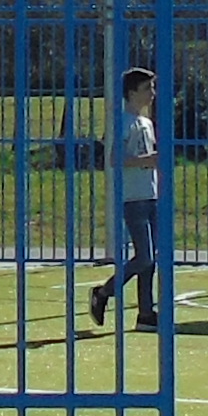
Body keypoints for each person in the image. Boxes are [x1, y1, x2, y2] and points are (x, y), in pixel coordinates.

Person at [86, 64, 171, 330]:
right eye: (147, 88)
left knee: (150, 259)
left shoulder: (146, 122)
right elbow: (115, 159)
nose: (152, 93)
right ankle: (103, 292)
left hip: (151, 194)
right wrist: (148, 160)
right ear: (132, 92)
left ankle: (146, 313)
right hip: (133, 197)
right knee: (143, 257)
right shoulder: (123, 122)